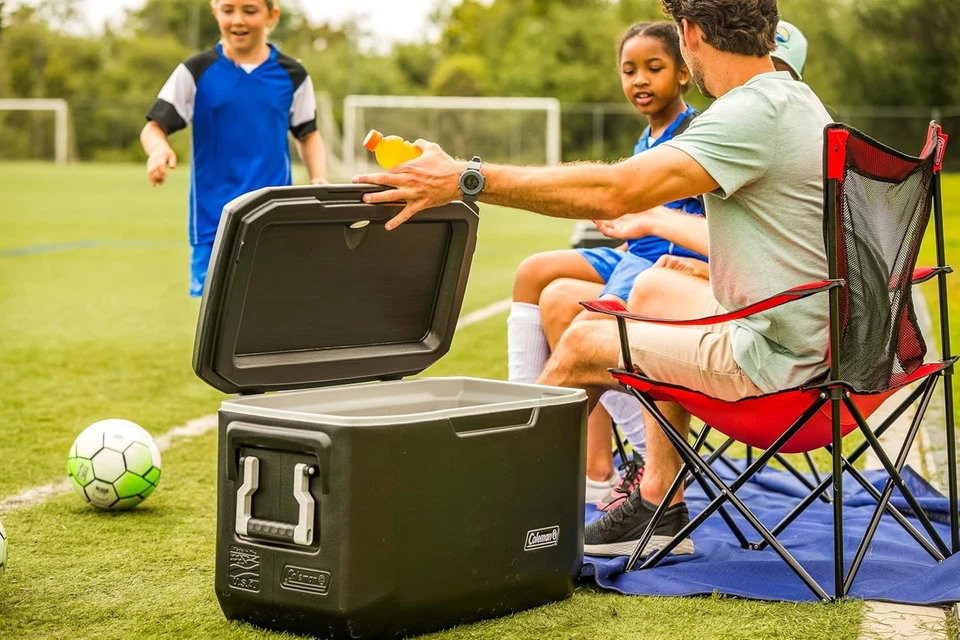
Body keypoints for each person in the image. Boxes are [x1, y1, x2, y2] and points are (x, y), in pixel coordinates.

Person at [354, 0, 832, 560]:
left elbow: (614, 191)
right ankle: (660, 496)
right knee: (654, 284)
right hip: (830, 339)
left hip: (784, 364)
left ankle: (479, 498)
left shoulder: (748, 112)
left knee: (585, 338)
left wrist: (467, 177)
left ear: (690, 34)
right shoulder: (795, 99)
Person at [505, 21, 707, 507]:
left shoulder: (696, 132)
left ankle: (640, 457)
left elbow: (688, 221)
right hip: (632, 250)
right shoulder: (648, 136)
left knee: (563, 304)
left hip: (667, 258)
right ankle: (557, 441)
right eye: (629, 70)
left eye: (653, 68)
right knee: (534, 271)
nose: (640, 80)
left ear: (683, 73)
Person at [140, 0, 327, 297]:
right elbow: (153, 127)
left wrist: (318, 178)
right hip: (213, 223)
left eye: (249, 11)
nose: (238, 20)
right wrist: (158, 150)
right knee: (220, 324)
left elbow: (308, 134)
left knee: (271, 313)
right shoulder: (196, 71)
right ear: (215, 12)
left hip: (273, 219)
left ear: (272, 15)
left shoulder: (293, 75)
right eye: (228, 10)